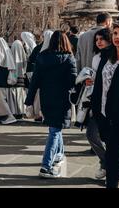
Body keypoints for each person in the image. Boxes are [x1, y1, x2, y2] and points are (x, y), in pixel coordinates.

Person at [25, 31, 77, 179]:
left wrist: (29, 100)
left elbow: (35, 81)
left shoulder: (42, 57)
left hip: (46, 98)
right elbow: (72, 81)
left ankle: (59, 154)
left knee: (55, 127)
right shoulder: (69, 58)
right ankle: (45, 166)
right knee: (55, 130)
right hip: (62, 98)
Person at [91, 23, 119, 188]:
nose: (117, 37)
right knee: (118, 151)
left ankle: (112, 184)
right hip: (104, 112)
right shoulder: (107, 55)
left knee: (111, 155)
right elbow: (100, 84)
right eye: (115, 33)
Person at [83, 28, 112, 180]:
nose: (99, 42)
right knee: (91, 134)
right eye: (97, 39)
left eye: (102, 39)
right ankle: (107, 163)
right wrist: (89, 81)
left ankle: (111, 169)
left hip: (112, 104)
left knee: (114, 143)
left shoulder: (116, 56)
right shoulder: (96, 57)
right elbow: (95, 78)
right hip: (97, 101)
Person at [26, 30, 54, 121]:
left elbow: (31, 60)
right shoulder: (57, 49)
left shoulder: (38, 49)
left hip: (40, 77)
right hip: (52, 79)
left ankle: (39, 114)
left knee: (39, 97)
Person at [9, 40, 27, 118]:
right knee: (21, 95)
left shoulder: (10, 55)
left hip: (13, 77)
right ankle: (21, 112)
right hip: (21, 77)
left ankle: (15, 112)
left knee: (14, 95)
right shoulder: (23, 55)